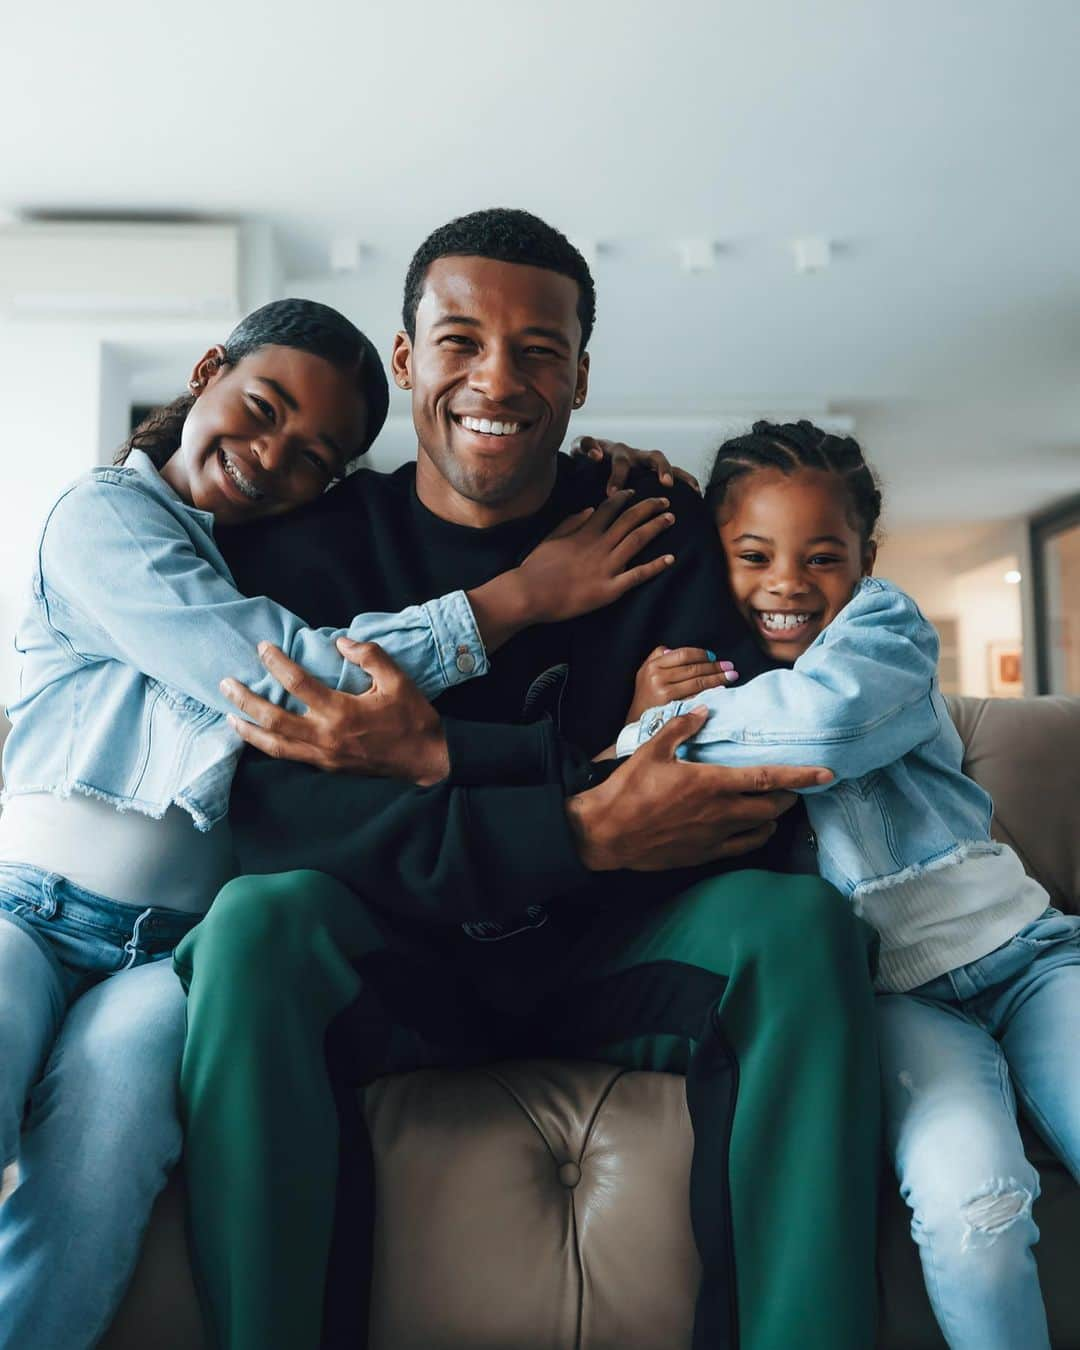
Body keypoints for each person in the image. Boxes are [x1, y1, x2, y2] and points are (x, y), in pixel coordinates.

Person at [177, 210, 880, 1350]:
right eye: (458, 341)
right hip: (395, 957)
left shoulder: (656, 529)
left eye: (540, 350)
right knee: (256, 923)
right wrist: (587, 825)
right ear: (407, 362)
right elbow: (286, 817)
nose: (496, 378)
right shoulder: (300, 549)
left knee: (797, 925)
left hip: (613, 957)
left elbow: (725, 792)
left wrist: (473, 788)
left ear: (582, 375)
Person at [0, 296, 674, 1350]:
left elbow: (358, 634)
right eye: (260, 408)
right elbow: (286, 677)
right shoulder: (107, 519)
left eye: (313, 455)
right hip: (27, 914)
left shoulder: (284, 561)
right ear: (207, 370)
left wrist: (600, 473)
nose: (268, 458)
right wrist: (519, 598)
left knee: (112, 1140)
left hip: (165, 960)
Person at [617, 419, 1080, 1350]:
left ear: (867, 557)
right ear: (716, 556)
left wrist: (646, 732)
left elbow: (824, 734)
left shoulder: (884, 628)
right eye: (753, 555)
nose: (788, 583)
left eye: (822, 556)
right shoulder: (711, 660)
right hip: (894, 1005)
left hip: (1030, 959)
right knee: (974, 1211)